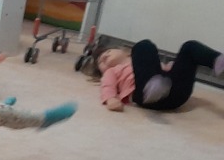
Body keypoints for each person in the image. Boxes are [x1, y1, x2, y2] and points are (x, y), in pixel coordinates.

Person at [90, 39, 224, 112]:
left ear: (125, 52)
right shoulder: (111, 71)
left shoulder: (141, 58)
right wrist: (110, 99)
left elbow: (164, 70)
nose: (104, 57)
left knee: (189, 46)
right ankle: (152, 88)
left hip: (176, 92)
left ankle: (217, 61)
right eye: (100, 62)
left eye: (108, 52)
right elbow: (107, 86)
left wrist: (174, 68)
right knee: (143, 46)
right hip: (145, 96)